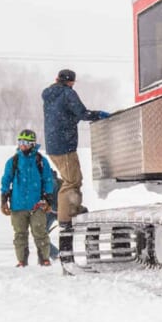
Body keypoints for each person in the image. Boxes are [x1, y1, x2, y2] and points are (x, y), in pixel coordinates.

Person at [42, 68, 110, 227]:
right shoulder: (67, 93)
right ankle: (66, 216)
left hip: (53, 143)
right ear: (71, 81)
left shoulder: (49, 95)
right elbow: (82, 113)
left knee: (74, 178)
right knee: (71, 181)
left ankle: (74, 208)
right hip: (64, 144)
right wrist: (99, 114)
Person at [0, 129, 58, 266]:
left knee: (40, 233)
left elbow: (47, 180)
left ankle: (44, 259)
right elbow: (5, 181)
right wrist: (3, 200)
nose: (23, 145)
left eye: (26, 142)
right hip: (17, 205)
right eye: (20, 142)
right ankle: (21, 261)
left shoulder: (41, 161)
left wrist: (48, 199)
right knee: (20, 234)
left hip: (37, 205)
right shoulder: (13, 161)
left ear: (32, 144)